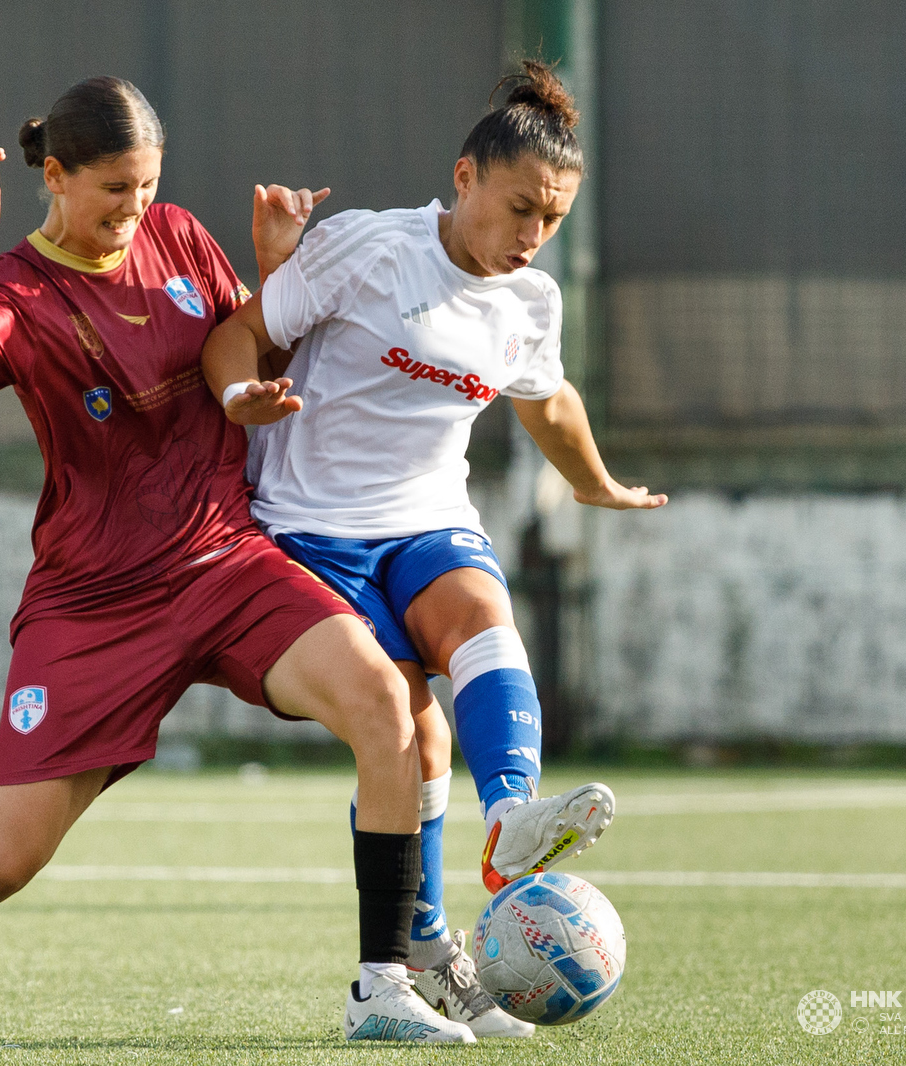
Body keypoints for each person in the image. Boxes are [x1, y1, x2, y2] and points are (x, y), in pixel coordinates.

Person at [0, 76, 477, 1044]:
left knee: (385, 703)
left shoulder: (177, 235)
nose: (134, 209)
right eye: (113, 190)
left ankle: (382, 983)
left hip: (226, 561)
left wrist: (270, 284)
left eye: (147, 186)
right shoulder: (17, 286)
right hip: (95, 605)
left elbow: (248, 344)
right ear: (54, 176)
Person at [201, 60, 665, 1034]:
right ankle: (415, 958)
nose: (531, 233)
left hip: (427, 516)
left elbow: (548, 399)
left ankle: (509, 819)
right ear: (464, 179)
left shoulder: (530, 300)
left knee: (484, 621)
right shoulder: (370, 250)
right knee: (416, 733)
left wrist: (593, 483)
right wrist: (239, 397)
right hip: (311, 527)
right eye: (518, 207)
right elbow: (239, 332)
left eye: (552, 217)